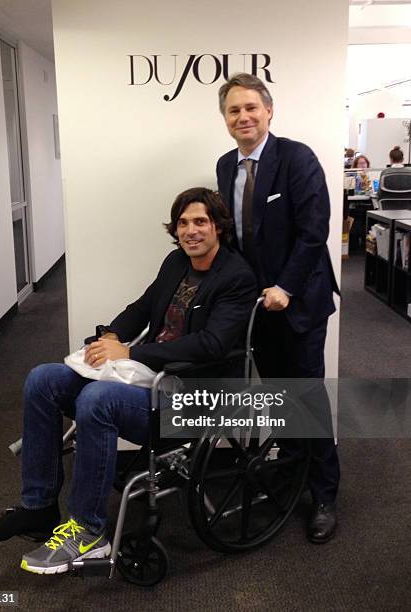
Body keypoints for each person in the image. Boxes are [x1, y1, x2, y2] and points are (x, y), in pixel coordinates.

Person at [0, 187, 257, 574]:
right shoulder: (176, 262)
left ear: (218, 227)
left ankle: (90, 532)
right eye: (183, 223)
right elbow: (143, 307)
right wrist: (111, 335)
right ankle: (39, 507)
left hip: (191, 397)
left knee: (97, 399)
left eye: (200, 222)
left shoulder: (237, 278)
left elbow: (212, 345)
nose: (190, 231)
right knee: (42, 379)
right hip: (148, 380)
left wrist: (129, 353)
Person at [216, 72, 341, 544]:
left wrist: (285, 286)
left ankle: (325, 494)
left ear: (269, 111)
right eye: (234, 110)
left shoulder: (296, 157)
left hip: (298, 303)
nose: (243, 116)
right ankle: (291, 479)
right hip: (256, 307)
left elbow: (314, 231)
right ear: (225, 120)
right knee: (278, 398)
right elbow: (234, 236)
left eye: (251, 107)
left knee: (306, 398)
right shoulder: (226, 165)